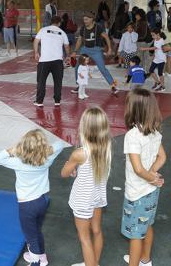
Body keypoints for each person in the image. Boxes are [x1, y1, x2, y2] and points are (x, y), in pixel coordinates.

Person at [0, 129, 65, 266]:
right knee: (36, 230)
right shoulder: (47, 158)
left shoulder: (18, 162)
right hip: (42, 201)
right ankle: (42, 257)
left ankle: (36, 262)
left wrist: (14, 149)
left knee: (30, 236)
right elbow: (60, 144)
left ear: (23, 146)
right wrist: (46, 150)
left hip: (27, 206)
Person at [121, 88, 166, 266]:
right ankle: (145, 260)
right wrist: (153, 174)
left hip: (137, 192)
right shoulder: (154, 131)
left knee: (135, 234)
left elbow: (138, 169)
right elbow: (162, 157)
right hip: (151, 192)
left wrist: (151, 177)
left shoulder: (132, 136)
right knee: (147, 225)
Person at [61, 107, 112, 266]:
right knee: (96, 230)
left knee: (84, 238)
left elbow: (64, 173)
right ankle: (93, 262)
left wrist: (69, 166)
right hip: (97, 196)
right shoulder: (106, 148)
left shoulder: (79, 153)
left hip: (83, 200)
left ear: (84, 128)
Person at [71, 12, 119, 94]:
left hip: (96, 50)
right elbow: (79, 40)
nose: (85, 21)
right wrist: (75, 51)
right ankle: (79, 85)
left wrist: (110, 49)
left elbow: (106, 37)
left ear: (92, 19)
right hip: (85, 49)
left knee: (102, 68)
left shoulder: (98, 27)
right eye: (84, 20)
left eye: (86, 19)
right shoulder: (83, 28)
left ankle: (113, 86)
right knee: (77, 67)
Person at [33, 15, 70, 107]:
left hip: (44, 61)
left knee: (41, 81)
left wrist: (36, 52)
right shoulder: (62, 33)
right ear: (59, 23)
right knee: (58, 82)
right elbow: (67, 46)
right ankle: (57, 101)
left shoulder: (43, 30)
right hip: (58, 61)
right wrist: (68, 56)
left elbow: (36, 41)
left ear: (51, 22)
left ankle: (39, 101)